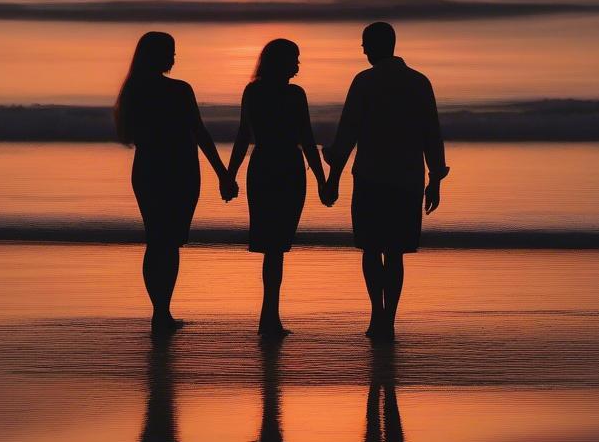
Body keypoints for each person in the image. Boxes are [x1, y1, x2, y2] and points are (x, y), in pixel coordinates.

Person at [321, 22, 449, 342]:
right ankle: (388, 319)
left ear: (378, 45)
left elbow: (348, 132)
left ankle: (376, 316)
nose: (363, 50)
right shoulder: (419, 82)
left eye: (365, 44)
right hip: (407, 179)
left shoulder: (365, 81)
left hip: (371, 177)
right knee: (395, 252)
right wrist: (435, 178)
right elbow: (431, 133)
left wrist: (332, 176)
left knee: (370, 248)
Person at [114, 31, 237, 337]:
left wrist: (224, 173)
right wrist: (223, 173)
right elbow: (200, 133)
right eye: (170, 52)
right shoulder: (179, 90)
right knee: (169, 242)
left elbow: (135, 135)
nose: (173, 58)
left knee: (157, 239)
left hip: (148, 169)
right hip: (179, 169)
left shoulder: (133, 91)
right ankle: (162, 311)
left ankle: (160, 310)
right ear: (157, 55)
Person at [225, 38, 328, 338]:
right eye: (294, 59)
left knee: (273, 247)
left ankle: (269, 314)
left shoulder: (254, 91)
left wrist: (230, 176)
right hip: (286, 169)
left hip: (264, 168)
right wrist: (322, 180)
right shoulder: (295, 95)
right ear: (281, 62)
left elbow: (244, 137)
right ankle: (269, 316)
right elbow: (306, 139)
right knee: (277, 247)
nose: (298, 65)